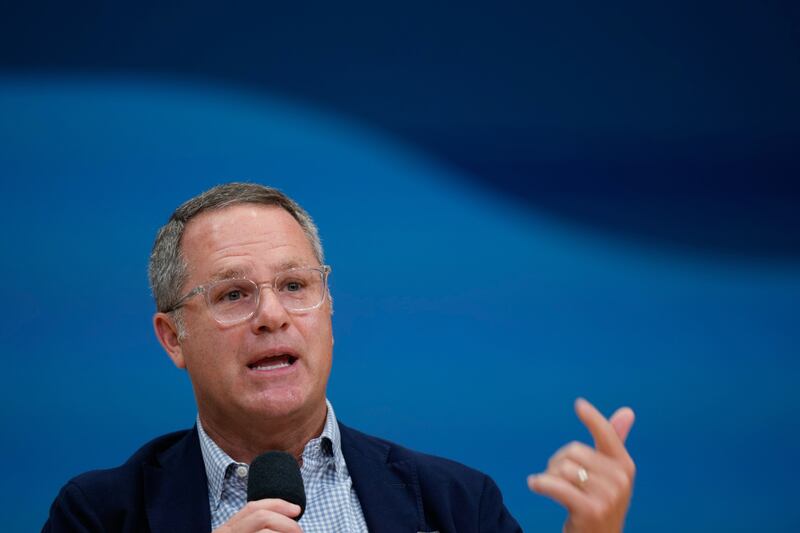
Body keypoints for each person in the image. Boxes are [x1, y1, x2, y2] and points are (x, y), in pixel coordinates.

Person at [43, 183, 636, 532]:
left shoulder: (457, 503)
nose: (272, 315)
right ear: (173, 337)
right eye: (232, 295)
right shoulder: (99, 515)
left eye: (294, 286)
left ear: (328, 309)